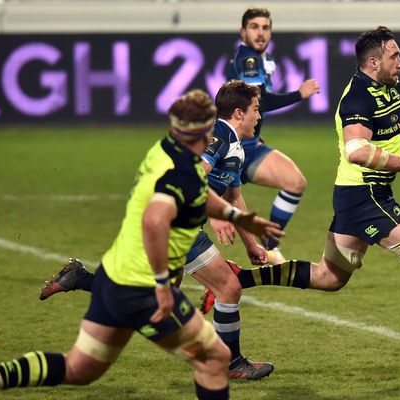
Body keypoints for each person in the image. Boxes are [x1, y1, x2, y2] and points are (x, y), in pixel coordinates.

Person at [0, 89, 283, 400]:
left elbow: (192, 194)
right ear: (202, 136)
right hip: (143, 287)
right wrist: (160, 284)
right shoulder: (188, 170)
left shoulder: (162, 153)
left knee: (80, 367)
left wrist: (232, 216)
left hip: (117, 273)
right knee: (214, 359)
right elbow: (158, 218)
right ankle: (233, 361)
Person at [205, 26, 400, 372]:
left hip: (366, 195)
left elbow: (399, 123)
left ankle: (238, 278)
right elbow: (356, 150)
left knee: (329, 277)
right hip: (364, 194)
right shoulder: (357, 98)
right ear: (372, 62)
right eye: (394, 56)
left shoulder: (392, 86)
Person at [36, 80, 277, 380]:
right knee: (229, 288)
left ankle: (80, 278)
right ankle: (231, 364)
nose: (259, 116)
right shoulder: (219, 136)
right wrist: (216, 218)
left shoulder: (234, 147)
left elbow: (235, 197)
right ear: (239, 113)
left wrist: (252, 244)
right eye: (256, 110)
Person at [225, 7, 320, 262]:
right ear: (243, 32)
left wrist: (254, 130)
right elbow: (260, 100)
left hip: (250, 146)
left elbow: (249, 105)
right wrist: (299, 94)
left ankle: (269, 247)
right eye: (254, 27)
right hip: (229, 150)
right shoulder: (248, 59)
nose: (260, 32)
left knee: (295, 181)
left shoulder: (262, 60)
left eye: (265, 27)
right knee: (200, 212)